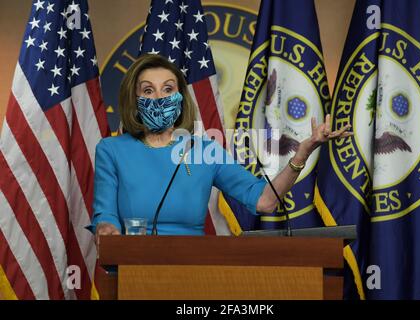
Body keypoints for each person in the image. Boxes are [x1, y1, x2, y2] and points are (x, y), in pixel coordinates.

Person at [88, 54, 352, 240]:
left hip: (193, 269)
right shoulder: (112, 150)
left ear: (180, 98)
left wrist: (302, 152)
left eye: (168, 89)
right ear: (133, 100)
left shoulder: (205, 151)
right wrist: (107, 230)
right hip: (132, 267)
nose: (159, 98)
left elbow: (265, 201)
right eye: (148, 91)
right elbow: (106, 214)